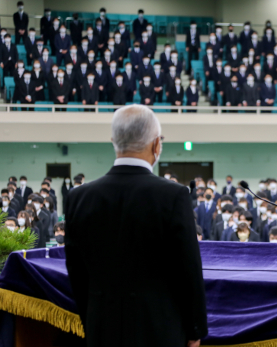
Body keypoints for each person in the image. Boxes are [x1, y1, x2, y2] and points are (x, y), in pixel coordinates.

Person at [65, 105, 207, 346]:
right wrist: (195, 330)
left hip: (101, 328)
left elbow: (77, 273)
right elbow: (188, 270)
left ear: (114, 142)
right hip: (159, 330)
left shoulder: (78, 197)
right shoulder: (174, 196)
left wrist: (92, 320)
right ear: (156, 145)